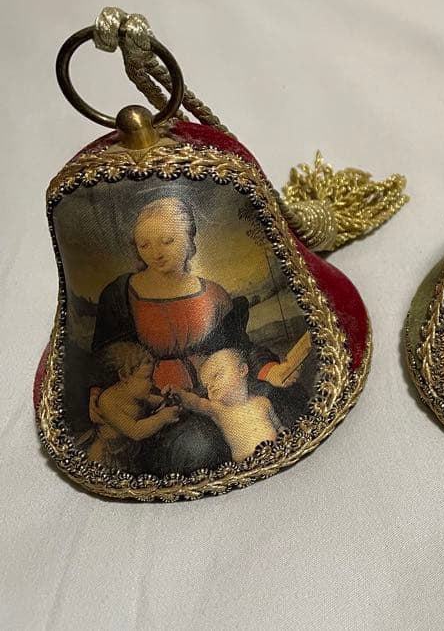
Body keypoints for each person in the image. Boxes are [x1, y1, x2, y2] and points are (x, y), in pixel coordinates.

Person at [91, 196, 308, 474]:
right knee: (198, 446)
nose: (156, 253)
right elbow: (103, 356)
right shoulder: (119, 294)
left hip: (217, 387)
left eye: (167, 241)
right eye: (144, 245)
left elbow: (238, 346)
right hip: (159, 402)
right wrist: (97, 393)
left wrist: (269, 369)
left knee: (281, 397)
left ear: (189, 237)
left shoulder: (213, 294)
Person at [170, 349, 282, 463]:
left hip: (276, 455)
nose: (211, 386)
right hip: (247, 465)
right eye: (207, 385)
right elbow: (196, 403)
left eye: (217, 376)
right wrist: (181, 394)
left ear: (242, 370)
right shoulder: (218, 409)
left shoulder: (263, 402)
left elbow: (279, 427)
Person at [84, 342, 181, 469]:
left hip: (130, 450)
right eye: (147, 378)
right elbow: (135, 431)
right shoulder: (108, 401)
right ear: (124, 376)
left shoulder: (137, 394)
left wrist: (167, 400)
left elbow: (152, 401)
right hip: (109, 455)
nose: (153, 383)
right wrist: (162, 418)